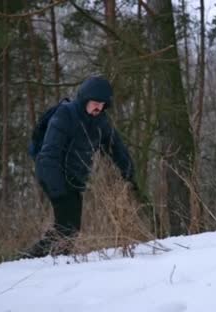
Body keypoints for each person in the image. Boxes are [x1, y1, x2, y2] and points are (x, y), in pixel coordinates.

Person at [23, 76, 136, 258]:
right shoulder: (65, 114)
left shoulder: (101, 122)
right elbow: (49, 153)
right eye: (94, 103)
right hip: (53, 175)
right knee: (67, 227)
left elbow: (116, 148)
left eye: (102, 104)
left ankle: (55, 259)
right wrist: (57, 188)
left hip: (74, 179)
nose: (97, 108)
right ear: (85, 99)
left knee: (70, 230)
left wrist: (128, 171)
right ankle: (29, 260)